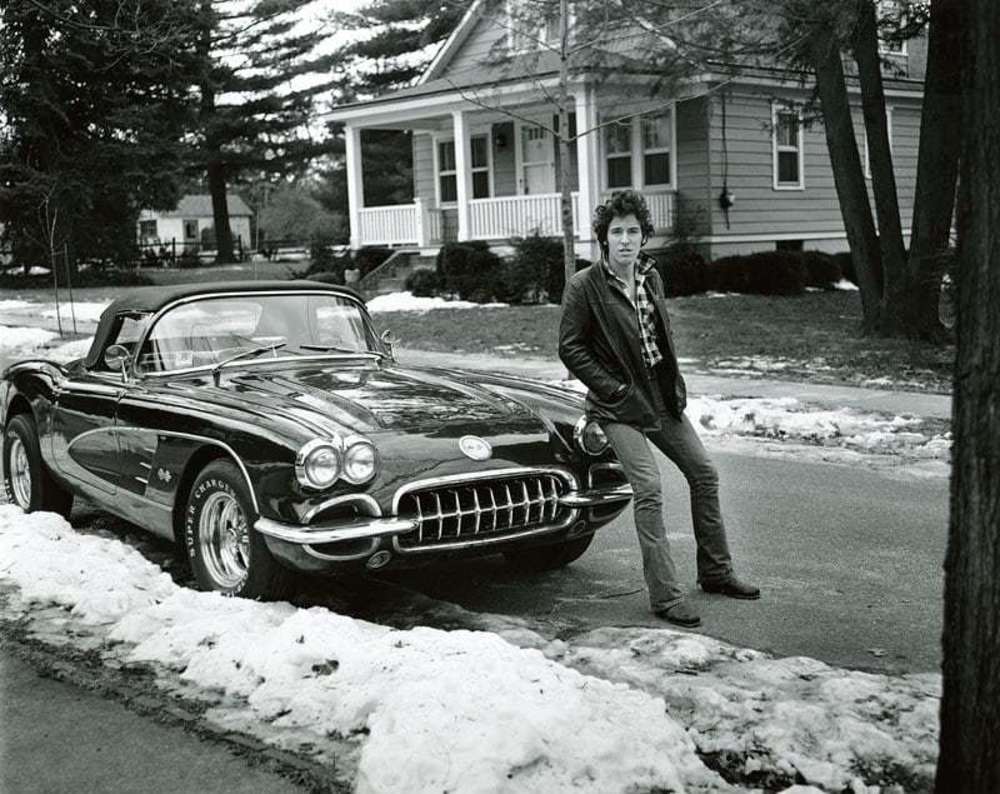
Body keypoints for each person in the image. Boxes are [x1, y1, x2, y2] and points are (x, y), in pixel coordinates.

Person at [559, 189, 759, 628]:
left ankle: (717, 572)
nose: (626, 240)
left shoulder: (651, 276)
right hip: (617, 405)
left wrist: (675, 382)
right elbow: (570, 348)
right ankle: (666, 596)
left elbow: (660, 338)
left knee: (704, 473)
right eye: (617, 232)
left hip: (660, 397)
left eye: (633, 231)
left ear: (643, 236)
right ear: (603, 239)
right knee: (648, 489)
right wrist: (613, 389)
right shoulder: (585, 286)